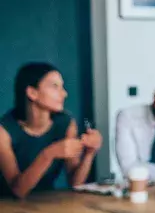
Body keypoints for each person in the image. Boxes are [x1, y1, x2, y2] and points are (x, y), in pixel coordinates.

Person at [0, 63, 103, 198]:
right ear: (32, 93)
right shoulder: (4, 131)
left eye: (62, 87)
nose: (64, 94)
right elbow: (18, 191)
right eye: (55, 86)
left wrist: (90, 153)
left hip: (47, 203)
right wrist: (49, 154)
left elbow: (75, 183)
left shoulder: (66, 124)